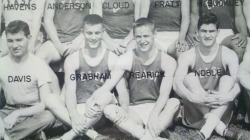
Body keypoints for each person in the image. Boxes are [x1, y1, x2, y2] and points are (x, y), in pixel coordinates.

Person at [92, 18, 180, 140]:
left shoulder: (168, 61)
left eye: (146, 36)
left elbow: (164, 94)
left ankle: (145, 135)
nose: (142, 40)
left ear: (155, 34)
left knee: (174, 102)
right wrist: (91, 102)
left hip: (157, 107)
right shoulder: (125, 59)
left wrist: (154, 115)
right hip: (134, 109)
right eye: (138, 37)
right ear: (133, 37)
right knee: (109, 109)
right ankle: (149, 137)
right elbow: (107, 86)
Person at [45, 14, 123, 140]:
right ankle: (92, 134)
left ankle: (68, 136)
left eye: (97, 33)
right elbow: (70, 92)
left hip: (100, 110)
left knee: (107, 96)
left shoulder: (112, 58)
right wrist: (74, 113)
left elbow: (122, 92)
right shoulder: (72, 59)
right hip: (80, 108)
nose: (93, 37)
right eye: (89, 33)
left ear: (103, 33)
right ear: (83, 33)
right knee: (50, 98)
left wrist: (122, 110)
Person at [174, 13, 244, 140]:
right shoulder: (188, 55)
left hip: (220, 107)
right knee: (190, 78)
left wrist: (229, 95)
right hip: (195, 112)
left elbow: (238, 83)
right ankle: (220, 128)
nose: (207, 35)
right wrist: (192, 96)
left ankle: (205, 132)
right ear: (197, 32)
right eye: (203, 31)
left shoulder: (229, 54)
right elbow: (176, 83)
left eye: (211, 31)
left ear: (218, 32)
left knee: (227, 80)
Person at [0, 20, 55, 140]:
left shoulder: (38, 64)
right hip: (9, 110)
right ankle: (31, 134)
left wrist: (18, 113)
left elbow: (44, 104)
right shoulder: (2, 64)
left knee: (48, 117)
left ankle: (8, 136)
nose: (14, 45)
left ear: (28, 38)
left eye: (19, 40)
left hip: (33, 112)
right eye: (10, 41)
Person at [35, 0, 91, 66]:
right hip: (56, 40)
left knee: (88, 60)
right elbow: (48, 20)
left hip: (80, 39)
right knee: (38, 60)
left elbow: (94, 23)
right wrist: (59, 47)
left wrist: (76, 43)